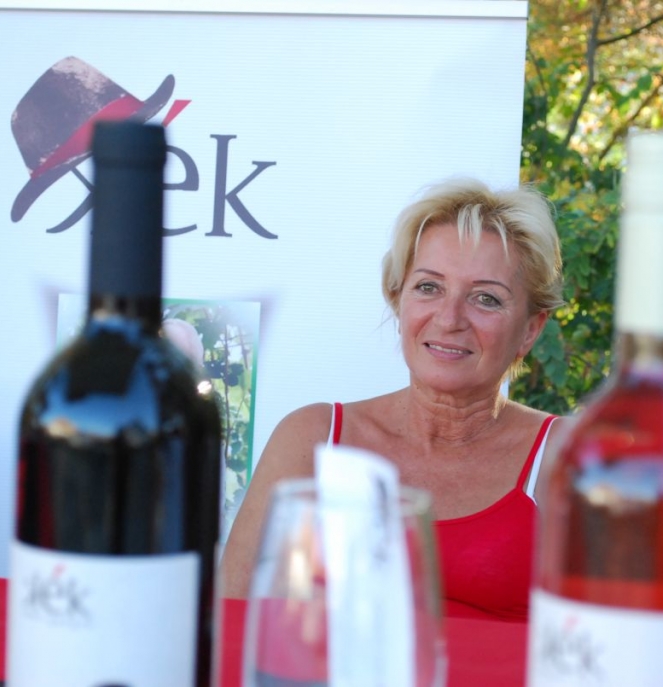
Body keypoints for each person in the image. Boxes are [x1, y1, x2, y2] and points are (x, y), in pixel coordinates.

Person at [220, 178, 566, 621]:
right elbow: (232, 623)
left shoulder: (568, 458)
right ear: (397, 300)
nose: (450, 318)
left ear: (530, 330)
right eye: (429, 287)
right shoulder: (313, 439)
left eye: (486, 298)